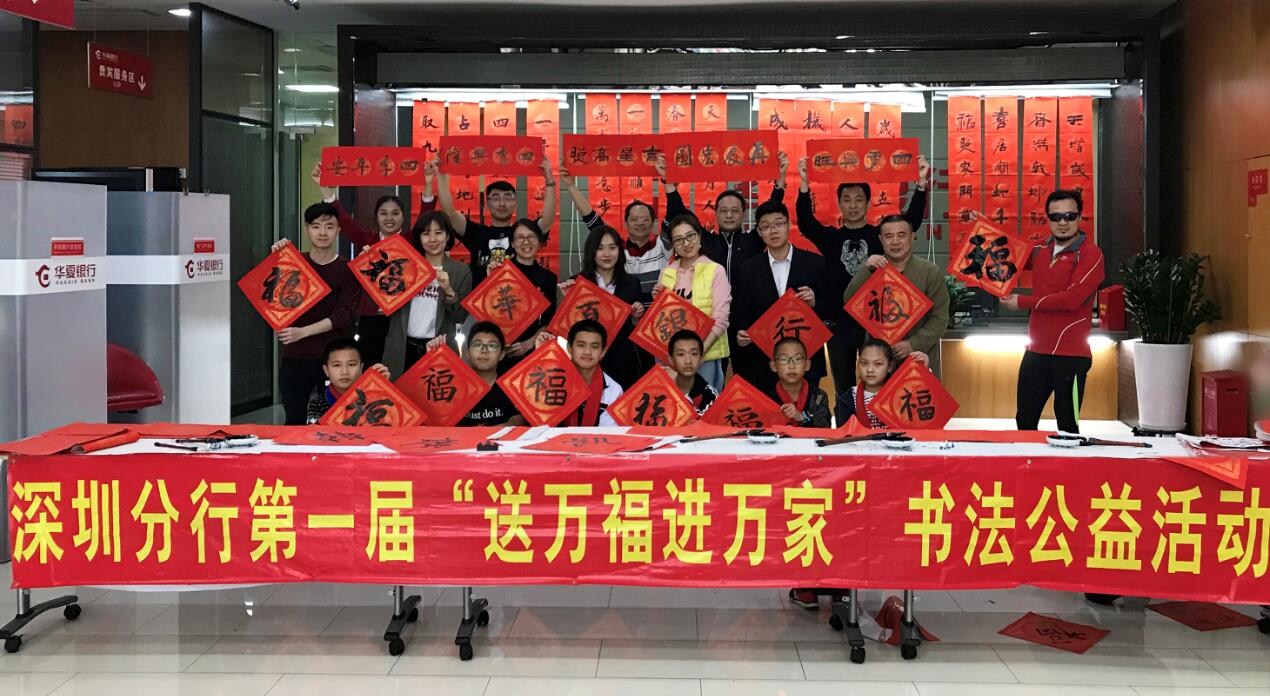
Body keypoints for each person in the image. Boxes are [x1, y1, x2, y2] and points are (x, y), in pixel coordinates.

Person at [795, 152, 931, 394]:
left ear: (868, 203)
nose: (853, 205)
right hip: (839, 323)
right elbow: (806, 223)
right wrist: (804, 183)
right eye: (847, 200)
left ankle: (875, 419)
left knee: (877, 386)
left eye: (859, 199)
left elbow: (910, 221)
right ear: (839, 204)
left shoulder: (880, 236)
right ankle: (847, 420)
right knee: (844, 389)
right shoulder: (831, 238)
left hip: (875, 323)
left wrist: (921, 183)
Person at [1002, 190, 1106, 434]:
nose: (1063, 222)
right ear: (1047, 219)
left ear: (1080, 217)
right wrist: (982, 228)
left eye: (1069, 216)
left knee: (1068, 426)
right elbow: (1006, 255)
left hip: (1071, 355)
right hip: (1036, 351)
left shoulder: (1091, 254)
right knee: (1024, 421)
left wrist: (1022, 302)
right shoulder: (1040, 249)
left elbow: (1071, 300)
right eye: (1056, 217)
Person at [312, 162, 434, 364]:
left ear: (403, 217)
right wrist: (324, 188)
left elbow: (426, 217)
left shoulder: (410, 240)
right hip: (371, 317)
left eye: (395, 213)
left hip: (402, 317)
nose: (389, 218)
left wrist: (428, 184)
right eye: (383, 213)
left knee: (400, 366)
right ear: (376, 217)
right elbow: (344, 221)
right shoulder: (366, 240)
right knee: (369, 365)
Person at [271, 202, 363, 426]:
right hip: (296, 356)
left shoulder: (348, 269)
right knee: (294, 419)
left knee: (338, 422)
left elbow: (344, 315)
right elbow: (272, 299)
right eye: (316, 226)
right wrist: (276, 259)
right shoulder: (293, 264)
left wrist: (303, 332)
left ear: (338, 230)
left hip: (335, 360)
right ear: (306, 230)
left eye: (329, 227)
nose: (323, 232)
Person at [732, 199, 832, 393]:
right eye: (766, 226)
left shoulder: (815, 264)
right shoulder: (748, 270)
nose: (773, 231)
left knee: (807, 411)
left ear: (789, 225)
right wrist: (742, 333)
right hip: (765, 361)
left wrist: (814, 303)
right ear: (759, 231)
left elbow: (831, 307)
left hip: (806, 359)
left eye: (778, 224)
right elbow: (740, 313)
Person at [842, 214, 950, 376]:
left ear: (912, 237)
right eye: (889, 236)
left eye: (901, 235)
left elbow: (939, 319)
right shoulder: (873, 269)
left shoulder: (930, 272)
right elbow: (849, 301)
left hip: (918, 358)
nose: (895, 242)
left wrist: (913, 344)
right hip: (878, 361)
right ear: (881, 239)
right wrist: (865, 270)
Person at [655, 153, 781, 281]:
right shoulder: (705, 240)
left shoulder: (754, 240)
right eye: (724, 210)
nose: (729, 215)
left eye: (734, 210)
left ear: (743, 214)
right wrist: (667, 180)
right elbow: (679, 211)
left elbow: (772, 213)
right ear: (716, 213)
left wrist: (780, 178)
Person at [435, 158, 556, 284]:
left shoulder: (524, 234)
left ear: (515, 203)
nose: (502, 203)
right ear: (487, 203)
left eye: (507, 198)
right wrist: (441, 176)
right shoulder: (476, 233)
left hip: (518, 295)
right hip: (482, 296)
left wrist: (550, 181)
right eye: (496, 198)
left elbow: (547, 219)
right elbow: (449, 213)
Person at [382, 211, 472, 378]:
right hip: (402, 348)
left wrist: (448, 290)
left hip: (439, 349)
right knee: (400, 392)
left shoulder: (460, 271)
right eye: (426, 234)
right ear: (419, 238)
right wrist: (369, 257)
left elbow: (460, 316)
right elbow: (381, 292)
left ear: (447, 236)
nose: (432, 239)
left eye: (438, 233)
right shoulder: (406, 265)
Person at [561, 167, 669, 302]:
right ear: (625, 223)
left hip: (657, 314)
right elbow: (590, 218)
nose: (640, 223)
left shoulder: (663, 246)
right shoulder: (616, 248)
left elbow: (675, 212)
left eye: (645, 219)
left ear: (653, 224)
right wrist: (571, 186)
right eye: (634, 219)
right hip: (625, 314)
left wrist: (667, 180)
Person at [561, 225, 647, 389]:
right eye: (600, 248)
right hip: (586, 360)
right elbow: (569, 329)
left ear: (619, 251)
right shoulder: (578, 283)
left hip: (622, 362)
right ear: (591, 252)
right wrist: (569, 302)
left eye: (612, 248)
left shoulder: (632, 284)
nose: (607, 254)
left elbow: (636, 332)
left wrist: (636, 318)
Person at [655, 214, 731, 392]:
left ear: (699, 236)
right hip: (670, 356)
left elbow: (721, 319)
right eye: (679, 240)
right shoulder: (667, 272)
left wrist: (698, 352)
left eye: (690, 236)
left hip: (706, 355)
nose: (686, 243)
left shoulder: (715, 270)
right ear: (673, 245)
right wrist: (657, 300)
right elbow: (660, 320)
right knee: (671, 403)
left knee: (702, 404)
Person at [425, 322, 526, 427]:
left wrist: (487, 433)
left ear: (502, 354)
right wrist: (432, 362)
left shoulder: (513, 384)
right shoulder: (453, 383)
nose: (484, 351)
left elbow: (519, 420)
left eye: (492, 346)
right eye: (477, 345)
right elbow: (436, 418)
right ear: (468, 353)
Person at [537, 319, 624, 427]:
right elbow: (535, 412)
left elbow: (607, 433)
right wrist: (541, 356)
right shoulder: (551, 378)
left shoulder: (614, 391)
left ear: (603, 352)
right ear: (569, 348)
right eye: (581, 345)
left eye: (594, 347)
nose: (587, 352)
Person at [835, 338, 929, 428]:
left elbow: (920, 418)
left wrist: (923, 371)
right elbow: (844, 434)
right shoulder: (848, 399)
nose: (870, 370)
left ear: (890, 366)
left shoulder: (903, 393)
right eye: (864, 363)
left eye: (878, 364)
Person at [502, 218, 558, 368]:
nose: (526, 242)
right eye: (520, 237)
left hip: (533, 351)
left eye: (531, 237)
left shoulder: (548, 278)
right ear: (512, 243)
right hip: (500, 352)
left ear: (539, 242)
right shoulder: (501, 272)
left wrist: (529, 343)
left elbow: (549, 321)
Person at [304, 338, 391, 424]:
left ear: (361, 368)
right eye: (337, 365)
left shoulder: (373, 396)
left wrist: (383, 390)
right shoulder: (317, 404)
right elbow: (314, 432)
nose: (345, 372)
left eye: (351, 364)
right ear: (326, 370)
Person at [767, 337, 832, 429]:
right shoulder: (767, 399)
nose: (791, 366)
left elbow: (825, 427)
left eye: (798, 359)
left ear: (807, 365)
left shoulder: (818, 396)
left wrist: (801, 417)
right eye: (784, 359)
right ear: (773, 366)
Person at [664, 329, 718, 415]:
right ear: (671, 359)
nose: (688, 361)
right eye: (681, 354)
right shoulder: (658, 388)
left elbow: (698, 421)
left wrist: (677, 393)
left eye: (694, 354)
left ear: (701, 359)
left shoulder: (710, 394)